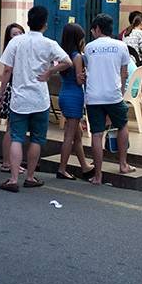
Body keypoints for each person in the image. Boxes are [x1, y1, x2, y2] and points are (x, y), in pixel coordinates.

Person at [0, 5, 70, 193]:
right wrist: (50, 71)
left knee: (16, 137)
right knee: (37, 139)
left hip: (19, 100)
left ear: (28, 22)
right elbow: (67, 62)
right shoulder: (49, 44)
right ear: (45, 24)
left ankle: (13, 179)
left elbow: (7, 70)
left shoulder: (16, 42)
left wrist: (1, 92)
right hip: (40, 99)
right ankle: (30, 177)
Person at [84, 13, 135, 185]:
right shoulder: (121, 46)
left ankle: (98, 175)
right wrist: (120, 91)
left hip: (93, 96)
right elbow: (124, 72)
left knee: (97, 134)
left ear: (97, 29)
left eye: (93, 30)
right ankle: (123, 164)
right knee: (122, 126)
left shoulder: (89, 48)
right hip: (113, 95)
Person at [55, 23, 94, 181]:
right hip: (74, 96)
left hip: (65, 93)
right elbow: (79, 80)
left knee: (77, 135)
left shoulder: (63, 54)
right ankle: (62, 169)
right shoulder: (77, 56)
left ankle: (84, 166)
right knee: (69, 136)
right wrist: (86, 75)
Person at [0, 22, 25, 173]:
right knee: (11, 127)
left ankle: (11, 161)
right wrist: (1, 92)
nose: (18, 36)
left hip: (17, 90)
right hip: (13, 90)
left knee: (13, 127)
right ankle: (8, 162)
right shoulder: (12, 51)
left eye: (20, 33)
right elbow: (7, 71)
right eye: (14, 34)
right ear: (8, 37)